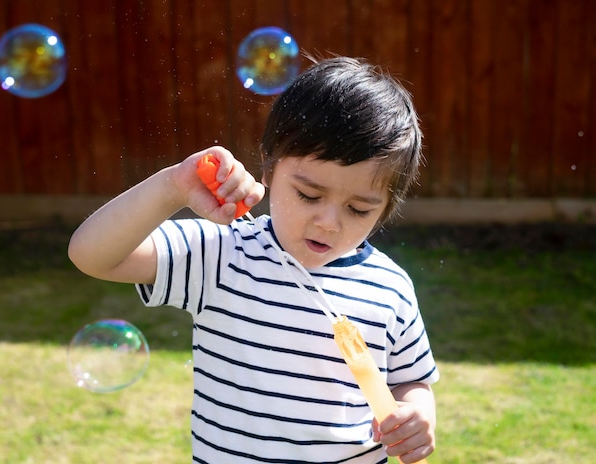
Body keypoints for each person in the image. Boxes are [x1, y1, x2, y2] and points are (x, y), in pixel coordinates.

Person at [69, 56, 439, 464]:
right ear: (268, 167)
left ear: (387, 207)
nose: (329, 223)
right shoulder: (223, 255)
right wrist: (173, 186)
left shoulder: (391, 287)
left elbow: (410, 380)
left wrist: (417, 415)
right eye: (309, 196)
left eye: (359, 209)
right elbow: (92, 255)